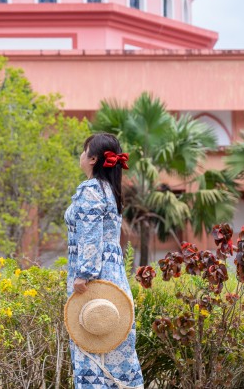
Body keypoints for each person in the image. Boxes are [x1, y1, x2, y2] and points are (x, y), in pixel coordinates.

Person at [66, 132, 144, 388]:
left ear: (93, 159)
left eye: (83, 150)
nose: (80, 156)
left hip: (93, 281)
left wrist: (83, 275)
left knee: (90, 344)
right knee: (112, 344)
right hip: (113, 278)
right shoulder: (109, 189)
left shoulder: (90, 190)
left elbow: (89, 237)